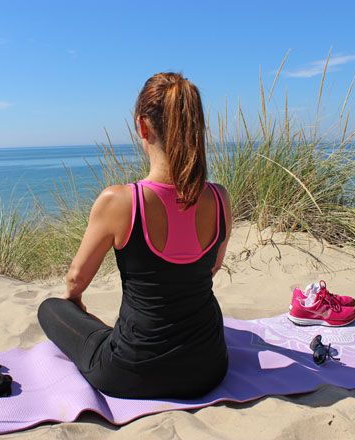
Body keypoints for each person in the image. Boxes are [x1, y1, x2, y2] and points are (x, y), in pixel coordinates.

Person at [37, 72, 232, 399]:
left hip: (132, 373)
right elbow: (212, 267)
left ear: (143, 126)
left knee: (50, 307)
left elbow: (74, 280)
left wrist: (75, 305)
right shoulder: (220, 198)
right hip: (209, 368)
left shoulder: (120, 201)